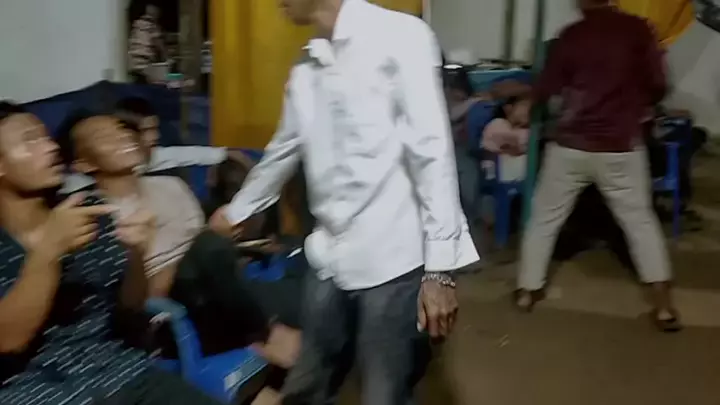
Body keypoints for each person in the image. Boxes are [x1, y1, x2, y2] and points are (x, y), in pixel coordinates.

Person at [209, 0, 480, 403]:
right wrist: (237, 212)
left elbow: (432, 153)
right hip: (329, 254)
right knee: (309, 380)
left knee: (384, 390)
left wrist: (440, 271)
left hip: (393, 258)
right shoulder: (307, 65)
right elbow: (285, 148)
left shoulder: (400, 37)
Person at [0, 102, 223, 404]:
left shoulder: (90, 210)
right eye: (30, 140)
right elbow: (9, 341)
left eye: (45, 136)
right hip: (39, 392)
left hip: (123, 373)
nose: (51, 147)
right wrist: (48, 252)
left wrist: (137, 254)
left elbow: (130, 309)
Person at [56, 110, 304, 370]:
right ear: (83, 164)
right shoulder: (94, 218)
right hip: (172, 317)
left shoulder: (171, 185)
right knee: (208, 246)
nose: (121, 136)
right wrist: (205, 245)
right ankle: (264, 334)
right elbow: (138, 302)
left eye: (120, 129)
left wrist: (229, 245)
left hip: (222, 292)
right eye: (103, 136)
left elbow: (214, 254)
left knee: (312, 291)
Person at [516, 0, 681, 332]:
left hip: (571, 145)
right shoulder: (638, 31)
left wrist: (528, 103)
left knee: (544, 218)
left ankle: (527, 292)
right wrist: (632, 101)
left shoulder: (571, 35)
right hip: (621, 146)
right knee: (640, 223)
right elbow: (658, 84)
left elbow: (547, 84)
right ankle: (663, 307)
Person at [62, 97, 230, 194]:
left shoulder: (154, 158)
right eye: (146, 130)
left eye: (155, 129)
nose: (155, 137)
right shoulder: (76, 188)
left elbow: (192, 154)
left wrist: (227, 157)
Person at [128, 2, 166, 84]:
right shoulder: (153, 26)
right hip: (145, 64)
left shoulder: (137, 24)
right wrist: (166, 58)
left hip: (133, 62)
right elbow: (159, 45)